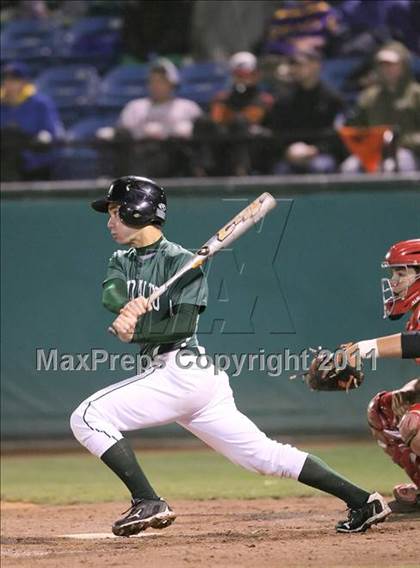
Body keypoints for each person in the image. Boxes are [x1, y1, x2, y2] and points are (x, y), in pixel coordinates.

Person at [70, 175, 391, 537]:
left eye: (115, 212)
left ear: (137, 210)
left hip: (181, 370)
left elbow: (182, 325)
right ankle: (364, 500)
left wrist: (137, 330)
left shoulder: (183, 262)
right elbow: (110, 292)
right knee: (263, 457)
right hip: (190, 382)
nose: (109, 221)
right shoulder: (121, 258)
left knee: (87, 416)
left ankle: (148, 500)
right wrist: (127, 307)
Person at [342, 239, 420, 510]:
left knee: (415, 422)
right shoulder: (417, 315)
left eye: (402, 273)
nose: (394, 281)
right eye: (393, 273)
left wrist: (363, 348)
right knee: (383, 410)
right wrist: (413, 391)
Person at [108, 59, 202, 177]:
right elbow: (124, 135)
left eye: (161, 81)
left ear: (172, 84)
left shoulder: (188, 107)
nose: (156, 86)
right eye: (153, 81)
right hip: (140, 158)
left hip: (173, 159)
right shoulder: (135, 107)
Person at [341, 42, 420, 173]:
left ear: (404, 66)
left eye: (391, 65)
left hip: (408, 150)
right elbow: (355, 127)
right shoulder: (368, 96)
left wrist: (404, 141)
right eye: (382, 65)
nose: (386, 69)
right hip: (372, 150)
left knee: (399, 164)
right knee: (349, 168)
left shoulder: (416, 94)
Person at [264, 49, 345, 174]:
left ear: (316, 66)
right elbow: (275, 130)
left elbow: (339, 135)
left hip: (321, 154)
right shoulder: (284, 98)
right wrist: (287, 150)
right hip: (290, 153)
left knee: (320, 167)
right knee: (280, 170)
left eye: (300, 64)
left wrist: (314, 150)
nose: (295, 69)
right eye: (293, 65)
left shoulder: (332, 98)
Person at [193, 51, 273, 176]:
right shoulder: (222, 99)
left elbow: (257, 122)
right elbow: (217, 120)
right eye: (239, 75)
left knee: (239, 122)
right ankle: (201, 171)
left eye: (247, 75)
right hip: (224, 146)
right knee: (202, 121)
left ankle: (242, 171)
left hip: (253, 149)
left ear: (256, 75)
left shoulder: (264, 100)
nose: (243, 79)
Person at [0, 61, 63, 181]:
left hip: (34, 160)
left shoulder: (40, 103)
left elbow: (51, 133)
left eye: (15, 79)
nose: (9, 83)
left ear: (25, 82)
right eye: (6, 79)